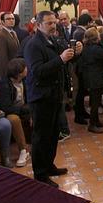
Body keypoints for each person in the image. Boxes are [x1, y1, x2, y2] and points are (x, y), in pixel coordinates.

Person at [24, 10, 78, 187]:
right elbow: (38, 71)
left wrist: (75, 52)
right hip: (41, 96)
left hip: (54, 95)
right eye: (49, 23)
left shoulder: (53, 40)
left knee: (54, 133)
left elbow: (64, 60)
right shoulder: (33, 45)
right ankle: (40, 174)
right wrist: (61, 59)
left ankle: (49, 165)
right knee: (41, 136)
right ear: (38, 25)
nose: (53, 25)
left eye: (54, 22)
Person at [0, 58, 31, 167]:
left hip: (23, 108)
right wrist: (24, 110)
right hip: (11, 111)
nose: (27, 69)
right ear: (19, 72)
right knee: (14, 119)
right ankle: (23, 151)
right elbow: (5, 107)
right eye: (25, 67)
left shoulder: (25, 80)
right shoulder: (5, 83)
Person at [79, 28, 103, 133]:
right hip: (96, 78)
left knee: (95, 101)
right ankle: (92, 125)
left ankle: (96, 121)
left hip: (91, 77)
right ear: (95, 37)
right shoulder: (95, 49)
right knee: (95, 102)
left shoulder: (87, 47)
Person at [0, 12, 20, 81]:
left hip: (15, 69)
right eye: (8, 19)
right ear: (2, 22)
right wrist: (8, 73)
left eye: (13, 18)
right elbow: (2, 58)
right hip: (7, 72)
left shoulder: (13, 33)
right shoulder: (1, 35)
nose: (11, 20)